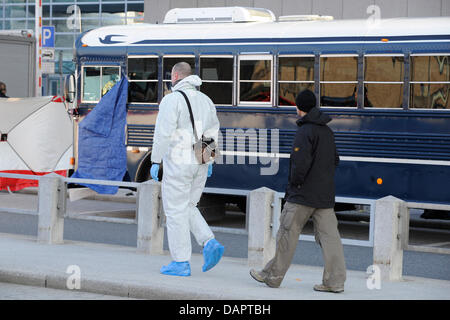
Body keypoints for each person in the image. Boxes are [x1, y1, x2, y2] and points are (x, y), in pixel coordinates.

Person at [249, 89, 347, 293]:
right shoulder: (327, 132)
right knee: (330, 240)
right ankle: (335, 282)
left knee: (287, 234)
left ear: (298, 108)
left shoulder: (305, 131)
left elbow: (299, 164)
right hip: (325, 196)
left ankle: (273, 276)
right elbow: (335, 160)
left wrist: (295, 185)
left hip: (302, 195)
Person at [150, 62, 224, 277]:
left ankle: (180, 262)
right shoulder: (206, 100)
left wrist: (155, 161)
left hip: (178, 162)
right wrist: (208, 161)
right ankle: (209, 242)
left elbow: (163, 133)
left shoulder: (171, 100)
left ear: (175, 76)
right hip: (199, 161)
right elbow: (212, 131)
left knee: (174, 212)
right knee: (189, 205)